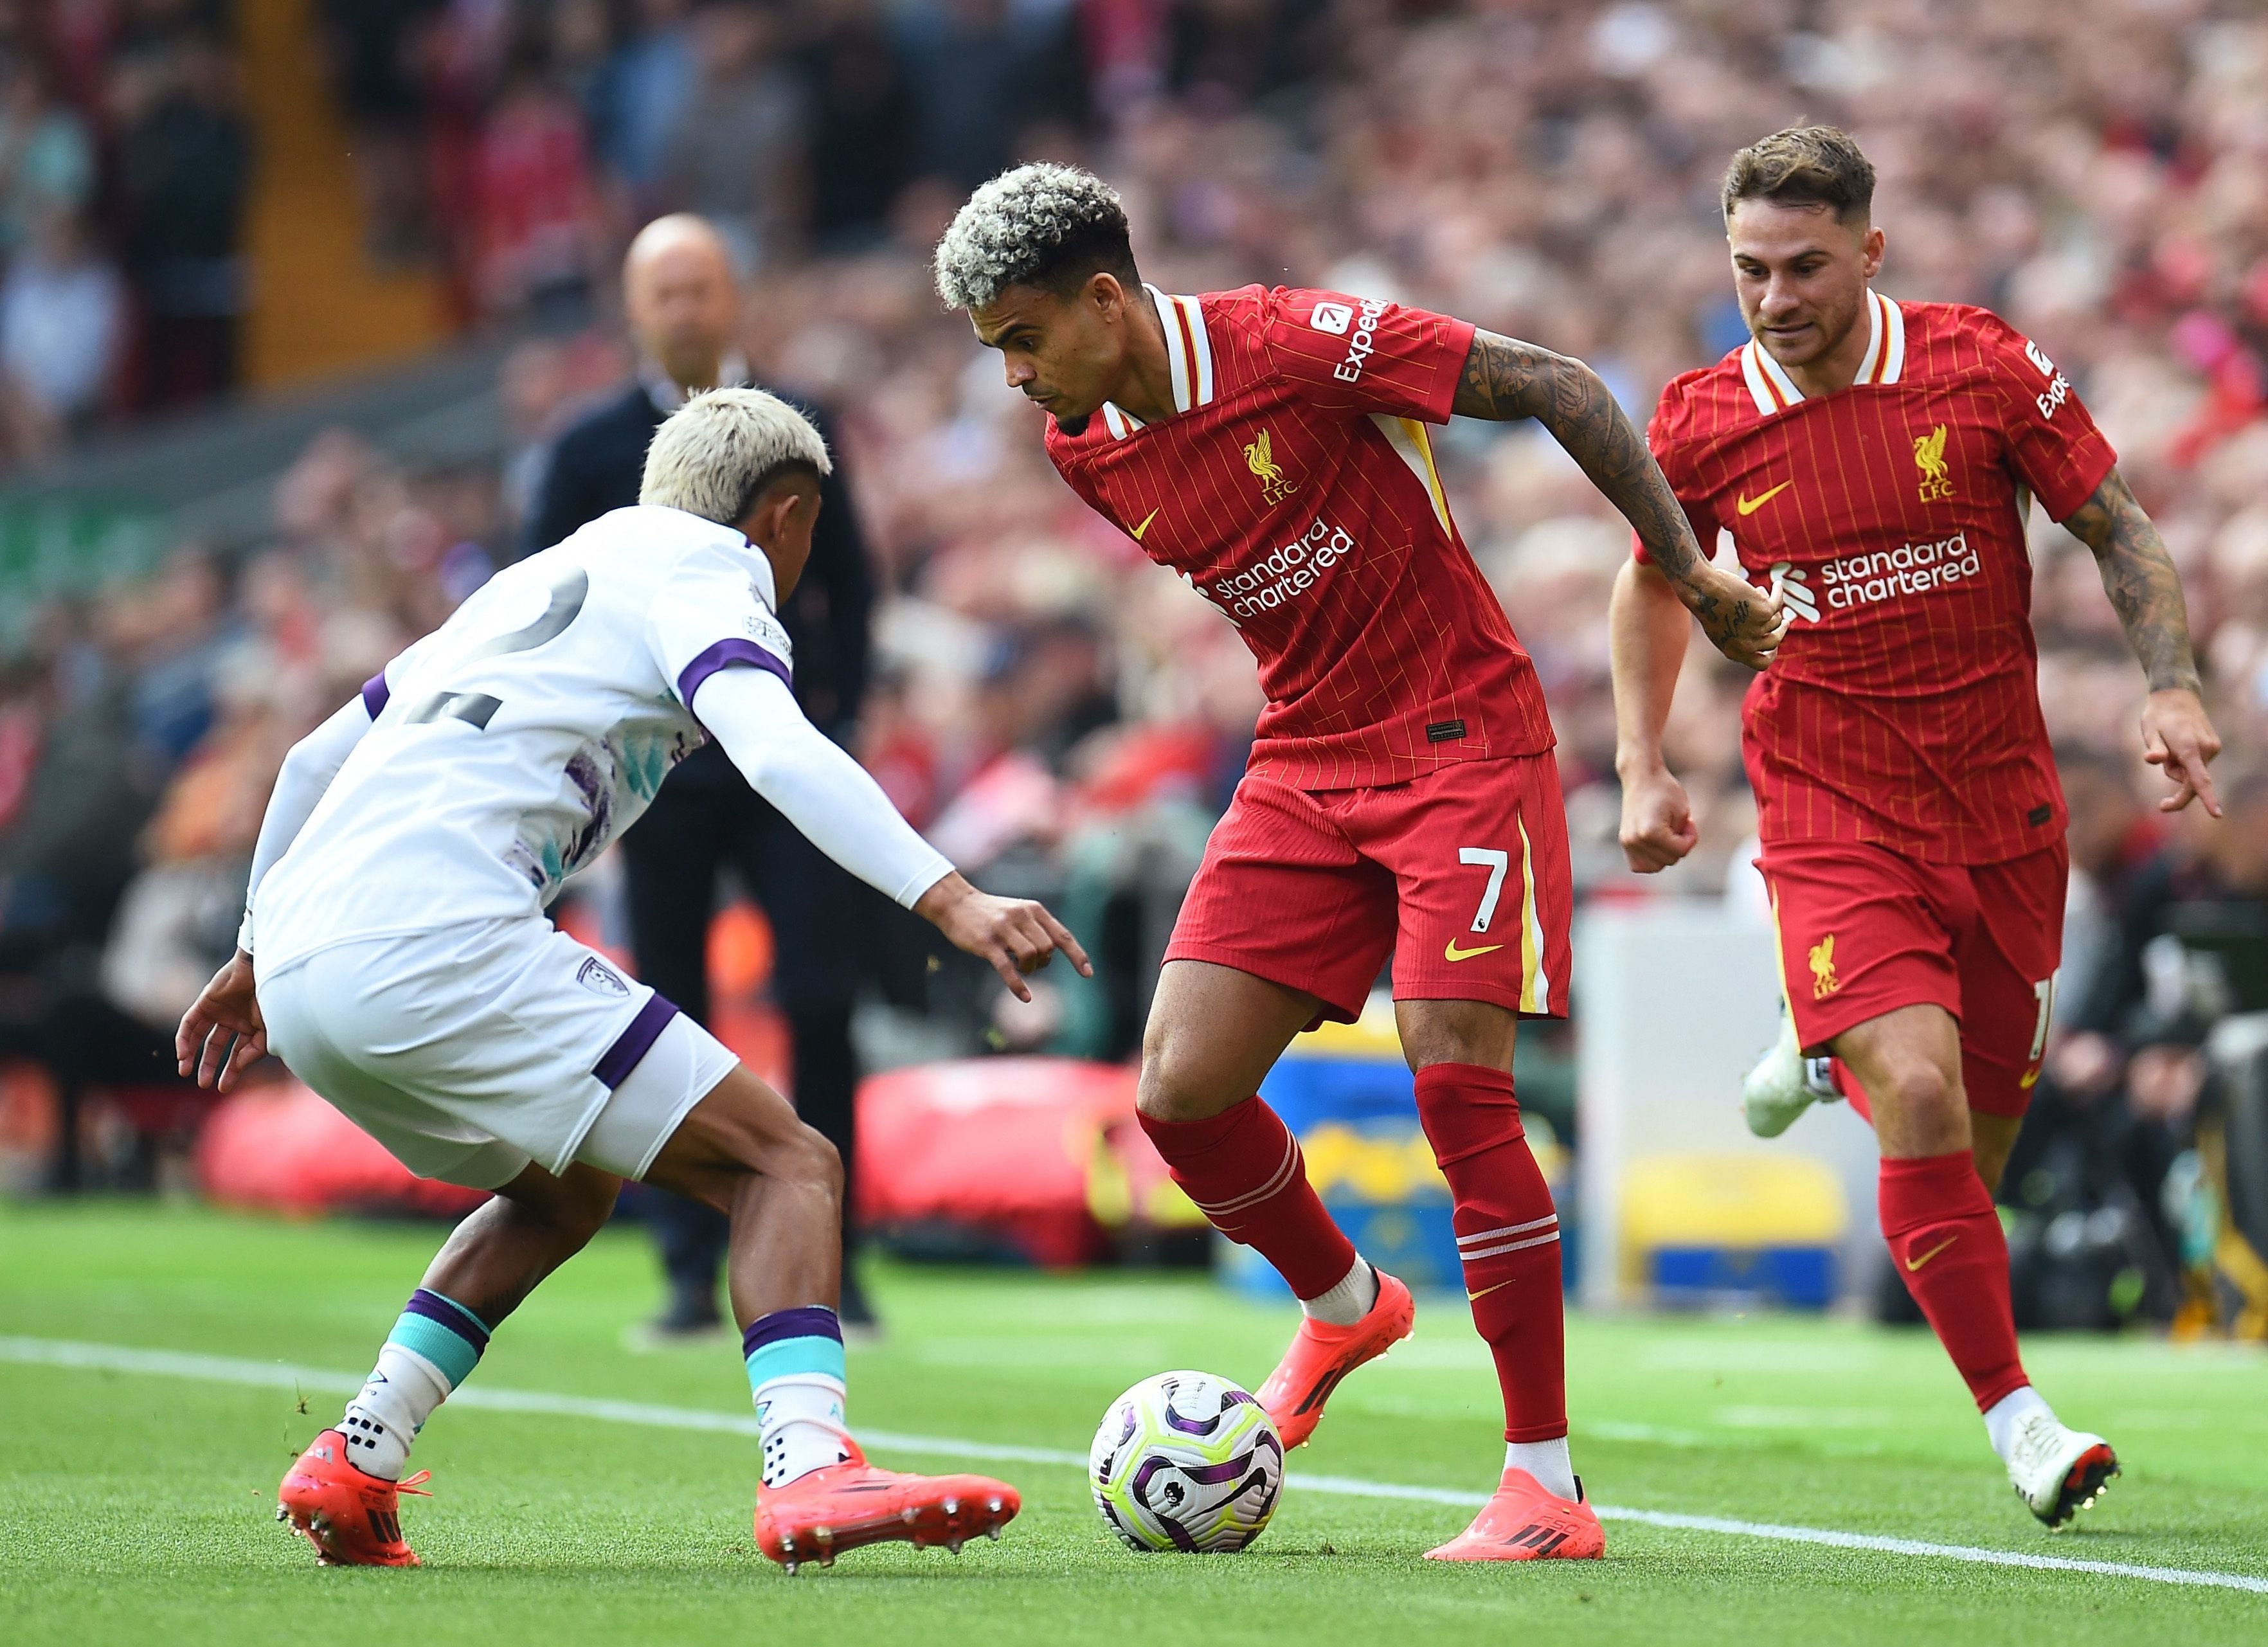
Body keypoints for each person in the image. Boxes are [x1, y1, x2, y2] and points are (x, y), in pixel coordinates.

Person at [933, 163, 1782, 1563]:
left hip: (1463, 738)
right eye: (994, 355)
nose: (1015, 378)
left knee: (1457, 1081)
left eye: (1023, 339)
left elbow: (1562, 385)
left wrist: (1689, 572)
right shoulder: (1084, 448)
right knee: (1180, 1092)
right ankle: (1346, 1305)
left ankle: (1545, 1486)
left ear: (1104, 298)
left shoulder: (1291, 344)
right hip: (1306, 762)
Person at [176, 389, 1088, 1570]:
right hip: (436, 935)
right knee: (790, 1161)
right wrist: (952, 895)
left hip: (304, 962)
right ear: (788, 513)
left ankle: (360, 1452)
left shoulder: (534, 578)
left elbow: (308, 759)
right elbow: (776, 748)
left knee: (565, 1190)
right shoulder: (716, 574)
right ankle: (811, 1467)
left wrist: (254, 950)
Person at [1608, 126, 2224, 1529]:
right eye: (1752, 268)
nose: (1776, 297)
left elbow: (2117, 527)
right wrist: (1643, 762)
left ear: (1870, 252)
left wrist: (2175, 687)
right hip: (1830, 803)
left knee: (1968, 1160)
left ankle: (1820, 1047)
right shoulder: (1704, 418)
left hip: (2003, 811)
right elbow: (1652, 585)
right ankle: (2023, 1423)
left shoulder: (1977, 364)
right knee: (1927, 1095)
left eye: (1807, 266)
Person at [525, 213, 882, 1336]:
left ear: (735, 297)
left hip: (781, 759)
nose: (685, 309)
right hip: (656, 776)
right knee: (662, 1003)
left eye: (701, 288)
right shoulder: (584, 450)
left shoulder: (797, 429)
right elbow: (540, 602)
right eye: (664, 292)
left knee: (823, 998)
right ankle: (685, 1266)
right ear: (635, 310)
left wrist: (830, 714)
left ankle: (838, 1258)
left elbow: (856, 581)